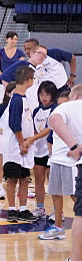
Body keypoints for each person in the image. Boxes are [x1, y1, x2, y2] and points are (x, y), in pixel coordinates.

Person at [45, 84, 82, 261]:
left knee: (81, 214)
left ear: (74, 95)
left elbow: (54, 119)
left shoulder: (72, 105)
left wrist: (74, 145)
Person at [39, 83, 79, 241]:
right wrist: (51, 153)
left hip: (71, 162)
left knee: (75, 195)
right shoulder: (57, 117)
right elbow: (51, 138)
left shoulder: (75, 116)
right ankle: (58, 227)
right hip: (57, 159)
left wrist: (75, 147)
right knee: (55, 192)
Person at [0, 66, 39, 223]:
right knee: (12, 178)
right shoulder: (16, 100)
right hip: (16, 146)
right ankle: (11, 209)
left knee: (24, 178)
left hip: (24, 145)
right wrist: (22, 143)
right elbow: (15, 124)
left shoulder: (23, 98)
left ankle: (22, 209)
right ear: (29, 80)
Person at [28, 81, 58, 219]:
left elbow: (48, 130)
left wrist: (32, 139)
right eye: (41, 94)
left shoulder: (55, 110)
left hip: (51, 151)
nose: (44, 97)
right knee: (38, 181)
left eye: (47, 94)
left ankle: (57, 211)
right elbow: (34, 129)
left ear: (53, 95)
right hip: (38, 151)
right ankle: (40, 208)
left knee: (52, 182)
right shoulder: (36, 111)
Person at [0, 44, 48, 110]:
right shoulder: (22, 64)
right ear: (32, 53)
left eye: (44, 55)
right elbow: (5, 78)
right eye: (39, 53)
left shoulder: (38, 70)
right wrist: (14, 96)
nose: (41, 57)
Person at [0, 81, 17, 200]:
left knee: (17, 164)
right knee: (3, 163)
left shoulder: (22, 104)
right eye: (14, 92)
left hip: (16, 138)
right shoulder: (3, 106)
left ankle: (19, 189)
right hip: (5, 138)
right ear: (8, 93)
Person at [0, 31, 25, 106]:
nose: (13, 41)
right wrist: (4, 78)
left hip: (14, 83)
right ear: (6, 39)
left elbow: (21, 67)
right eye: (11, 38)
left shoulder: (20, 53)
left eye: (15, 39)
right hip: (2, 83)